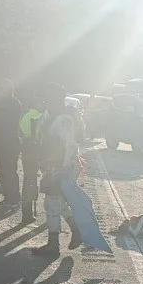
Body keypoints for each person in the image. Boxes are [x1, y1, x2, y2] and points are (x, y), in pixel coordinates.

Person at [36, 83, 110, 253]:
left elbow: (70, 145)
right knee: (57, 202)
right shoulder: (55, 115)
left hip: (61, 166)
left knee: (52, 203)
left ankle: (54, 245)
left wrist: (63, 169)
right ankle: (75, 231)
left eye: (48, 98)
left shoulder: (63, 119)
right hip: (57, 165)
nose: (45, 101)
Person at [0, 80, 24, 209]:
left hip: (9, 141)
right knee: (3, 171)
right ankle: (9, 198)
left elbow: (3, 121)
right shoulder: (5, 103)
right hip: (2, 141)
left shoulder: (12, 103)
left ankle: (13, 199)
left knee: (9, 171)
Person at [17, 87, 44, 223]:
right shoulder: (39, 117)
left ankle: (26, 213)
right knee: (35, 181)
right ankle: (31, 212)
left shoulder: (25, 116)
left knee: (29, 180)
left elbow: (21, 132)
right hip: (37, 149)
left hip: (26, 148)